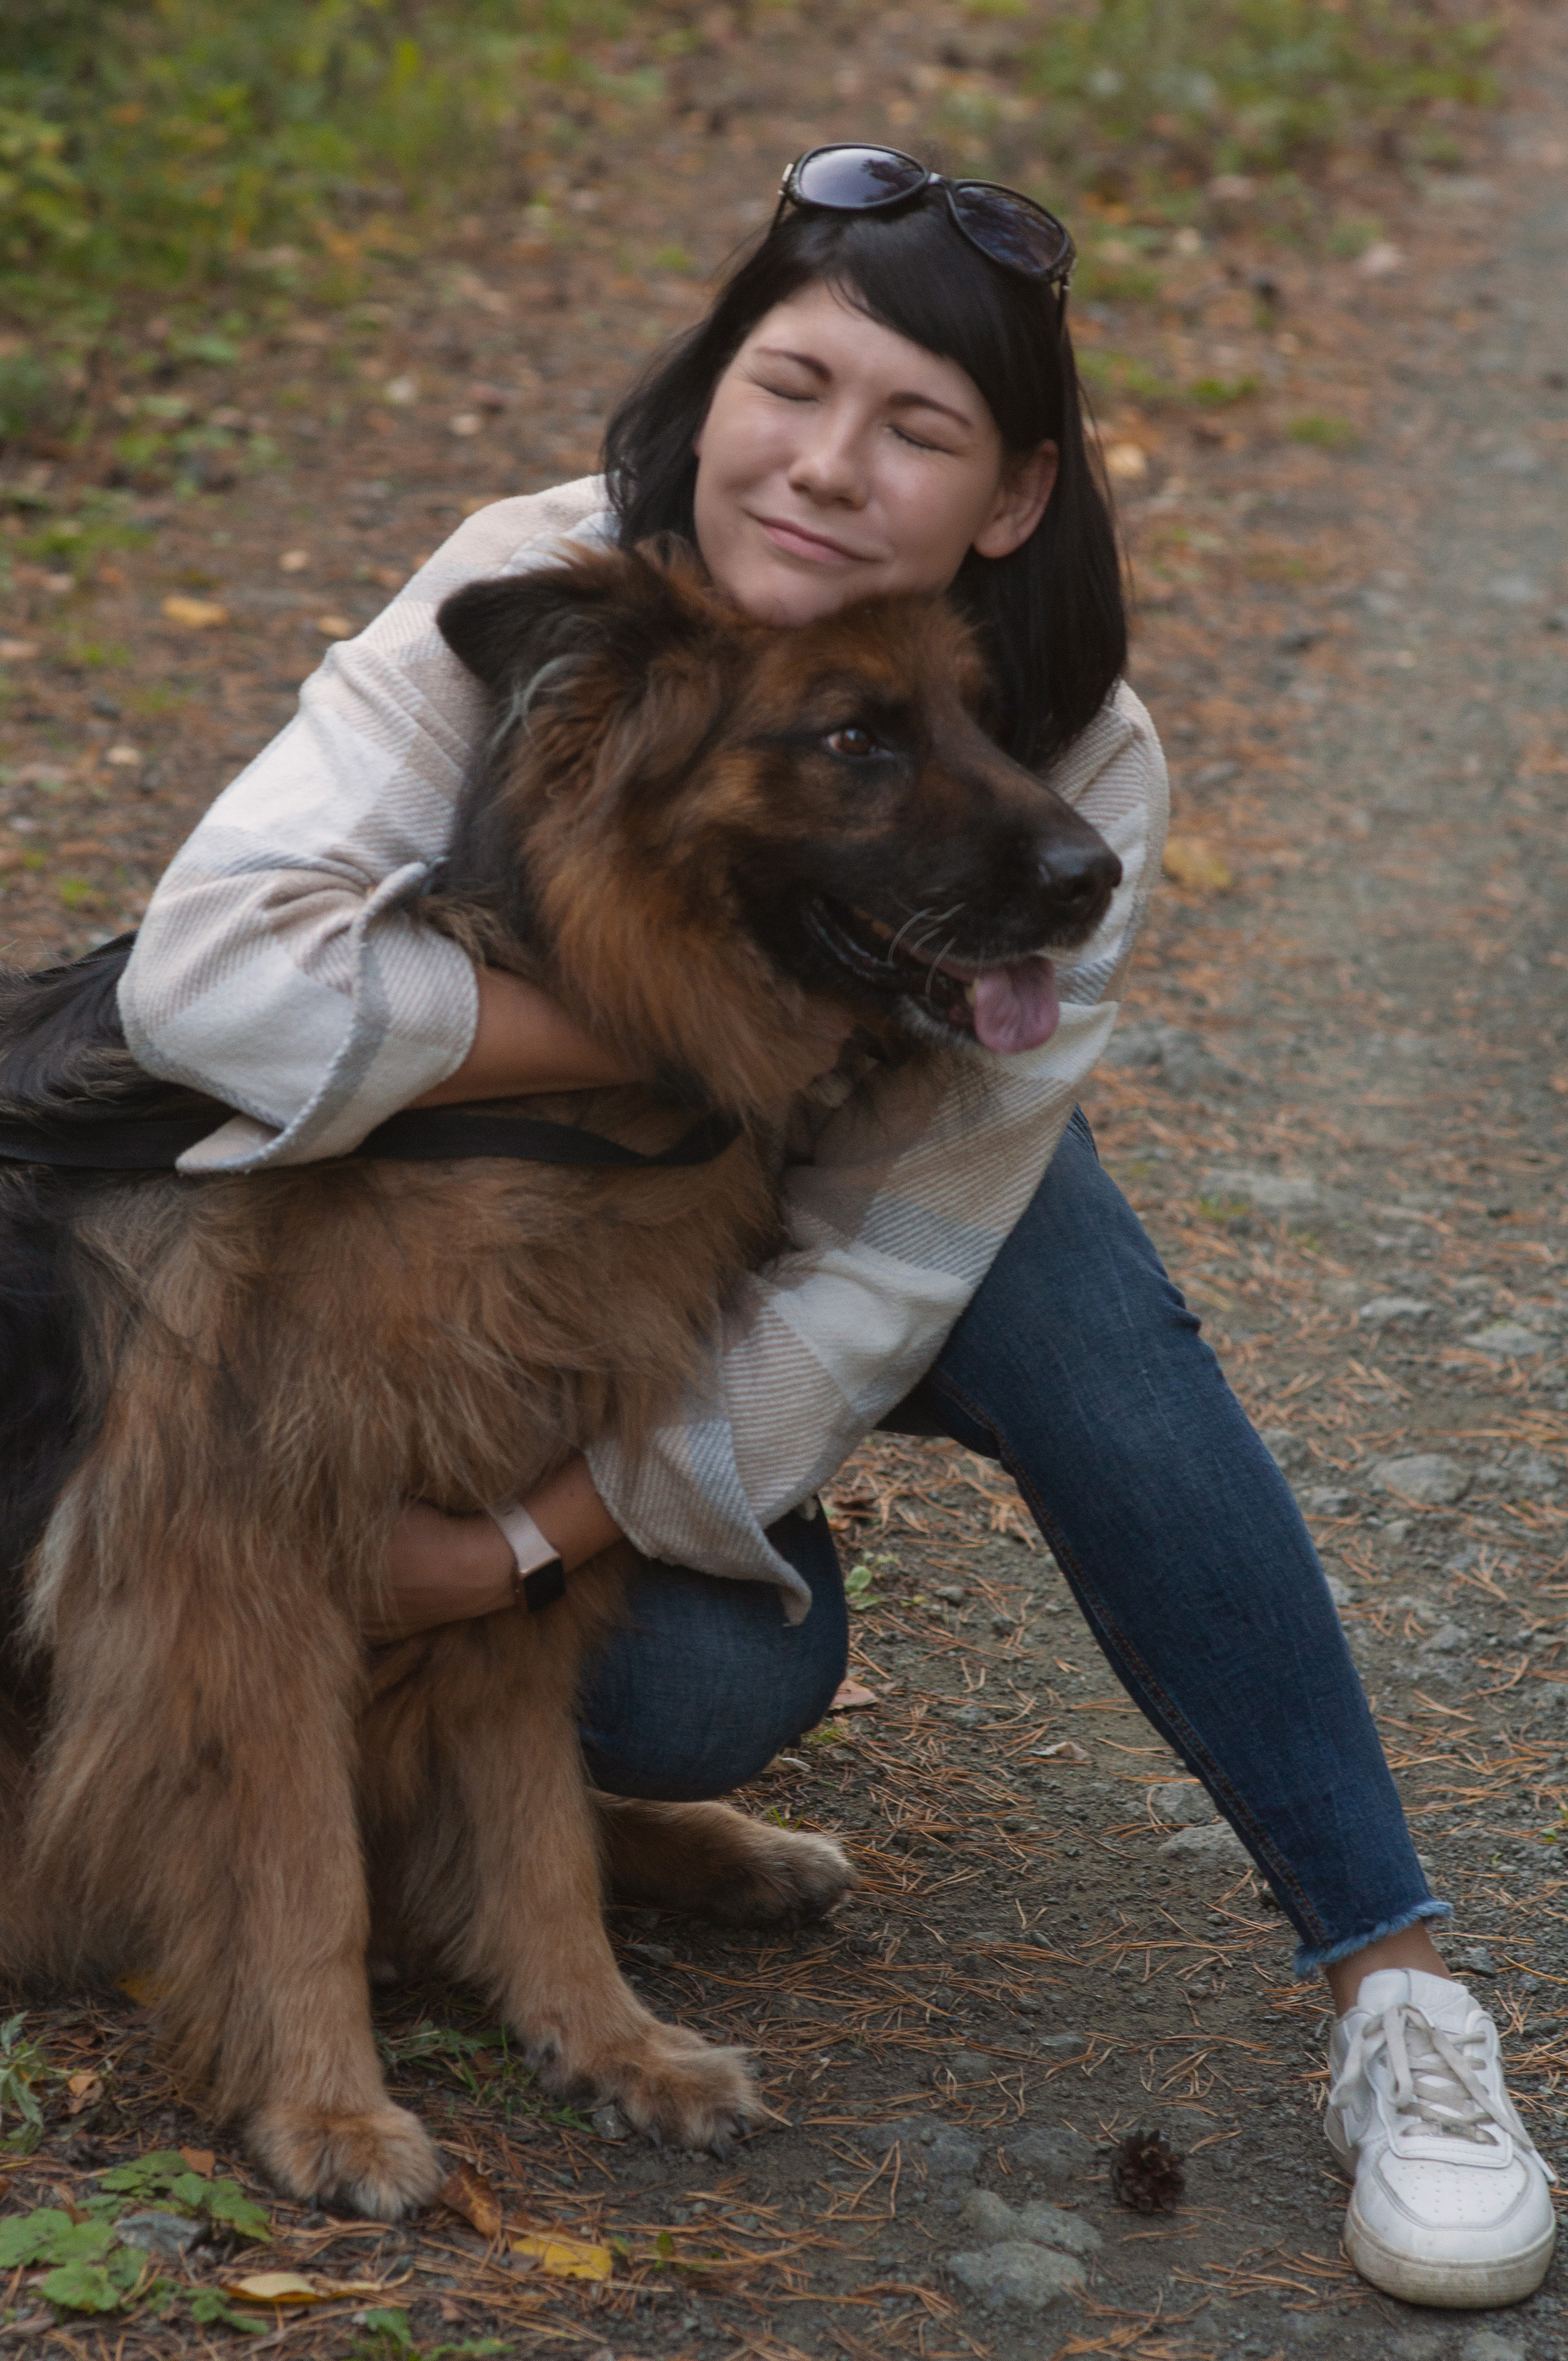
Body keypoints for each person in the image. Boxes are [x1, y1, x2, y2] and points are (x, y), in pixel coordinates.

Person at [118, 145, 1553, 2309]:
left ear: (1012, 500)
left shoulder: (1086, 775)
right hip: (499, 1183)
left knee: (1057, 1293)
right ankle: (437, 1920)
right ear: (713, 393)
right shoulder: (546, 594)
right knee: (699, 1686)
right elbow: (202, 979)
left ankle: (1397, 1978)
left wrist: (520, 1542)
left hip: (715, 1293)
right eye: (793, 386)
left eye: (920, 427)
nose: (824, 465)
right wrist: (642, 1045)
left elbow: (890, 1278)